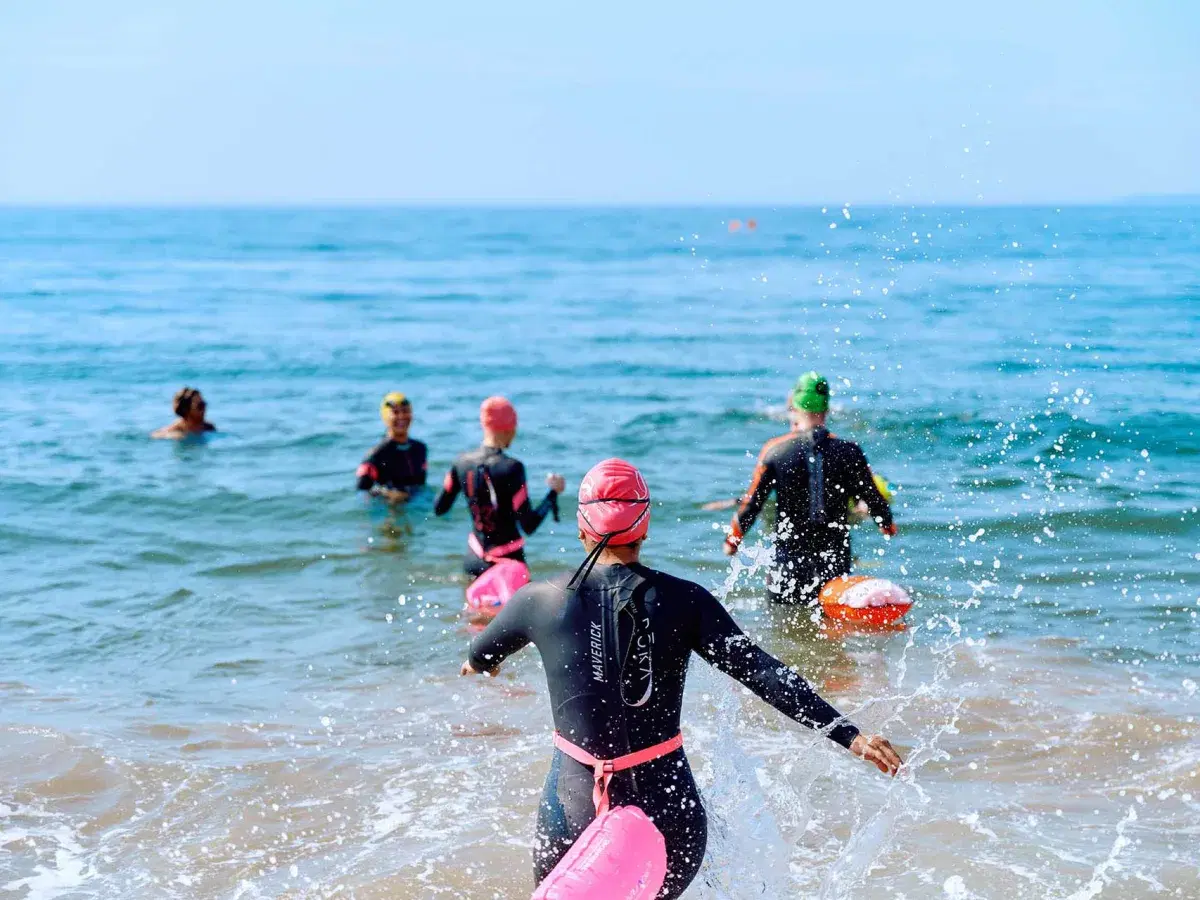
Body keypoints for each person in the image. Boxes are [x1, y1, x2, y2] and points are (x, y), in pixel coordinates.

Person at [461, 458, 902, 899]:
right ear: (645, 527)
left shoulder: (537, 600)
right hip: (667, 810)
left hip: (572, 807)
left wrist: (483, 664)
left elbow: (480, 654)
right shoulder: (686, 600)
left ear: (581, 528)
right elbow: (763, 672)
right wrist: (851, 735)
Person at [722, 372, 896, 604]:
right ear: (826, 409)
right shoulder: (849, 451)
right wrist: (887, 526)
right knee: (830, 630)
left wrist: (732, 542)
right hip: (833, 563)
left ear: (794, 406)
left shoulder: (776, 450)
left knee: (782, 629)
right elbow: (874, 498)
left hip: (788, 566)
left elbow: (752, 504)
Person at [434, 396, 565, 578]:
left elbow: (439, 508)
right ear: (510, 427)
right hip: (507, 562)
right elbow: (529, 525)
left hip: (474, 559)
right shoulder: (512, 467)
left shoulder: (461, 462)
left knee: (473, 607)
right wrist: (552, 494)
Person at [356, 392, 428, 503]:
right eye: (395, 412)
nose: (401, 416)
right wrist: (387, 494)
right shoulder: (375, 455)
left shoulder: (420, 449)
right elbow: (361, 492)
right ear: (385, 417)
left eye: (405, 411)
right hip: (390, 510)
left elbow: (422, 486)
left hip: (416, 508)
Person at [151, 387, 215, 439]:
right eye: (200, 406)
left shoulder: (208, 427)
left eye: (204, 404)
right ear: (186, 410)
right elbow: (155, 435)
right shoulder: (175, 432)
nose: (204, 409)